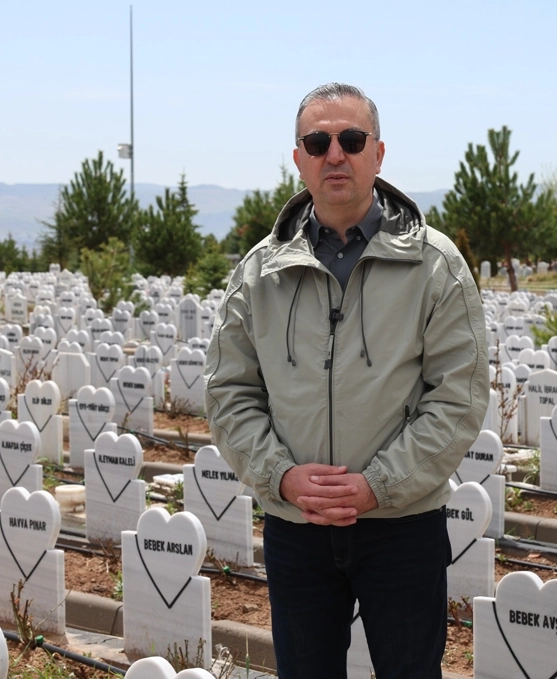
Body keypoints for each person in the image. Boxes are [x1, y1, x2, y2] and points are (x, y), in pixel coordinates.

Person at [204, 82, 488, 678]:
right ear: (299, 158)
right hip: (296, 527)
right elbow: (230, 393)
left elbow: (458, 397)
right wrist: (281, 477)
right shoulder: (258, 274)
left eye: (352, 140)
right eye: (318, 142)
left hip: (401, 525)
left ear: (378, 154)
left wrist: (378, 485)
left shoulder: (435, 266)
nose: (335, 154)